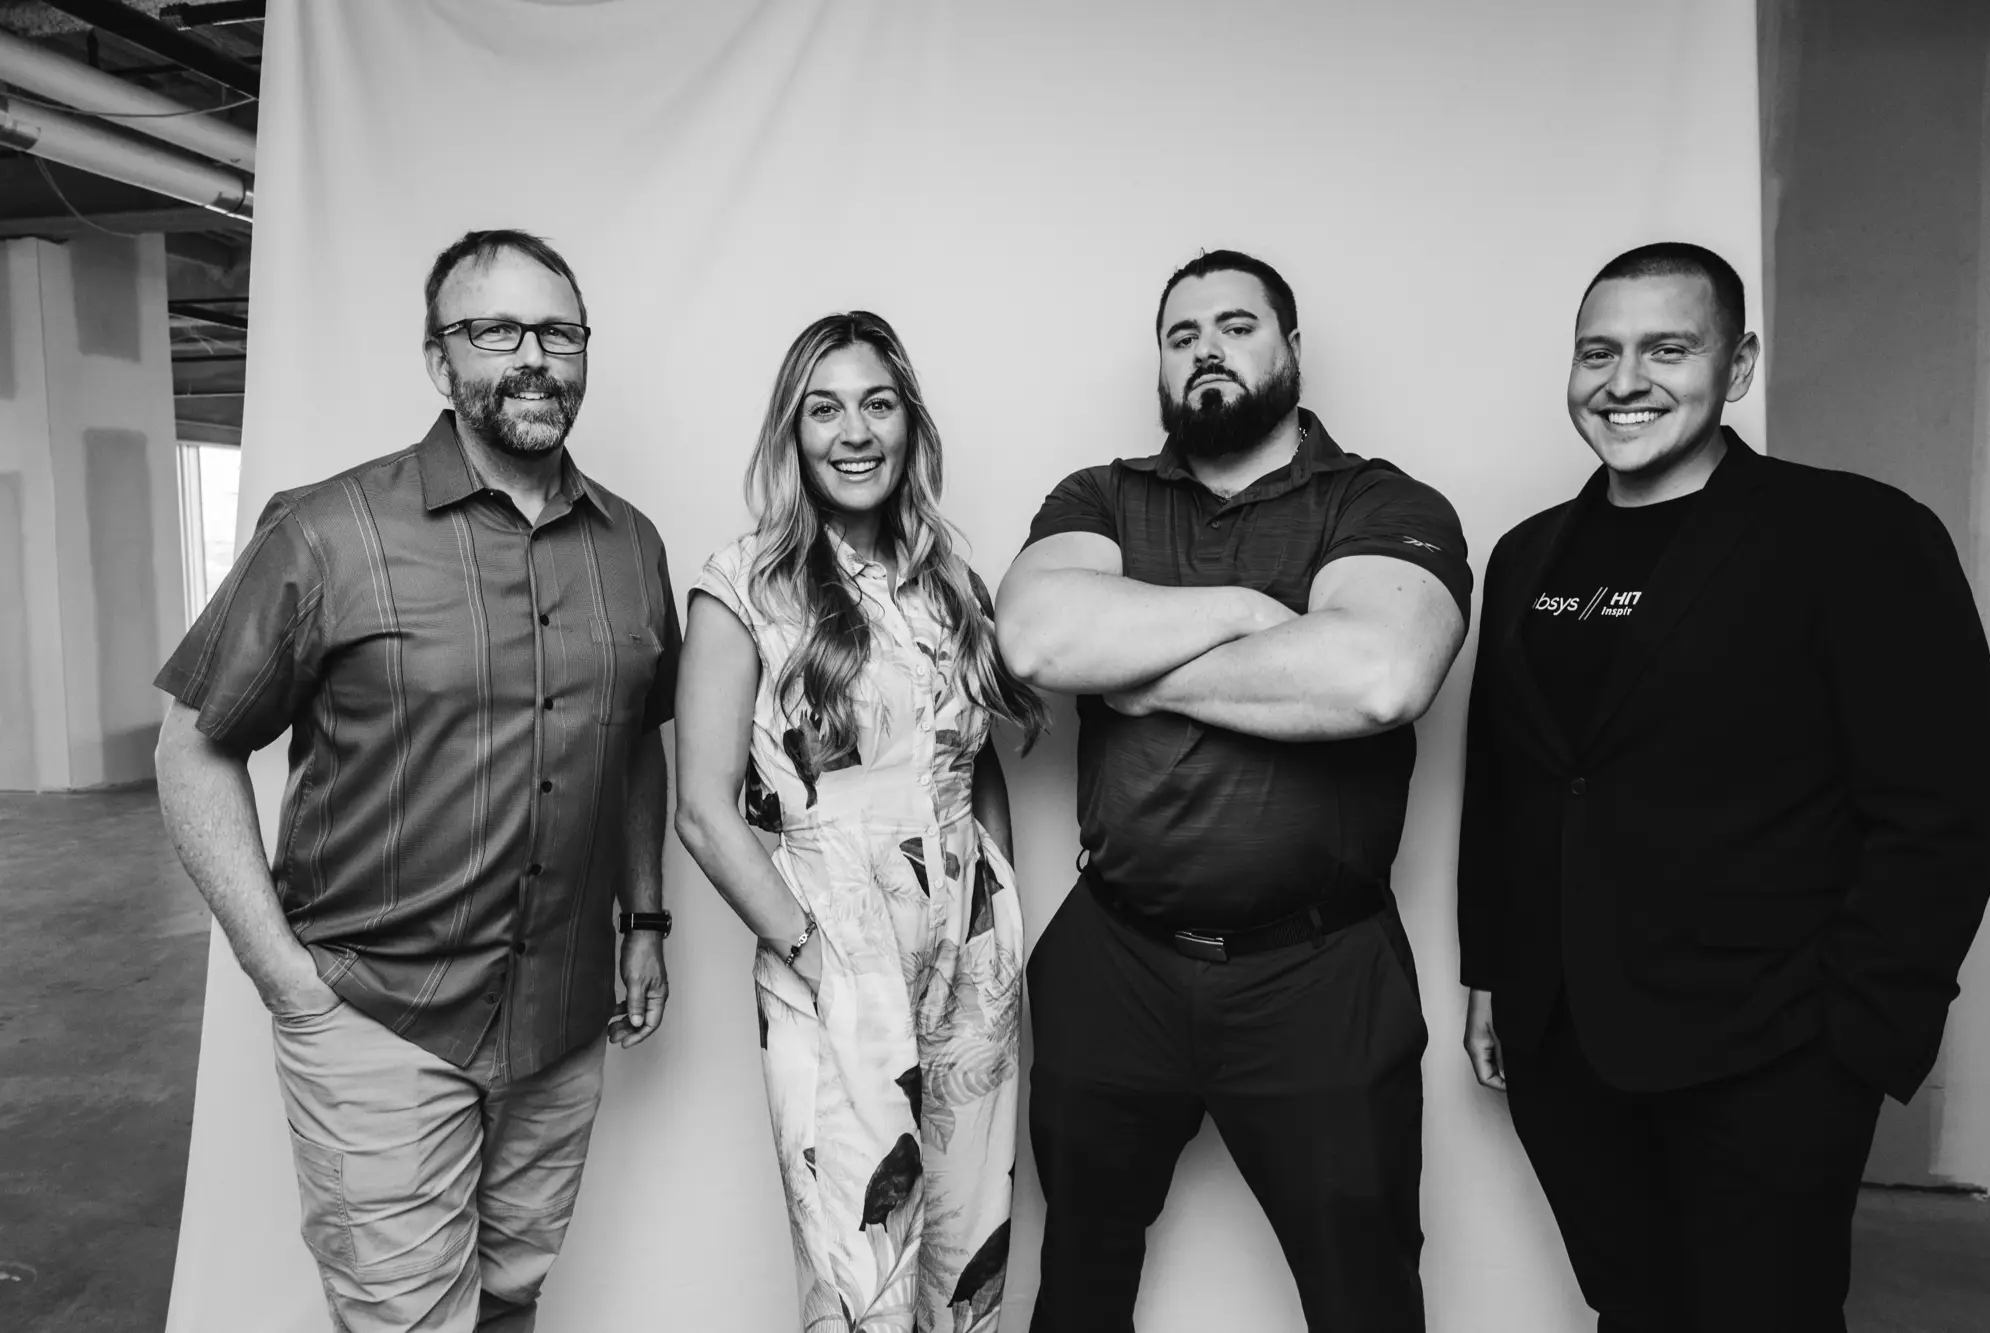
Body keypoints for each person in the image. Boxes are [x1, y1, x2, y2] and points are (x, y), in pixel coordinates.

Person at [1457, 241, 1990, 1331]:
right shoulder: (1527, 554)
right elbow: (1508, 781)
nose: (1623, 381)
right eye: (1595, 352)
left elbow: (1944, 803)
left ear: (1737, 365)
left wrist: (1857, 1030)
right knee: (1633, 1308)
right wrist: (1491, 968)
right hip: (1563, 1035)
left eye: (1666, 348)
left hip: (1769, 1044)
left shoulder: (1853, 535)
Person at [153, 230, 679, 1332]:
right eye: (495, 330)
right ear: (441, 362)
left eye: (559, 331)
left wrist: (645, 921)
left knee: (509, 1299)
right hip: (378, 1017)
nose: (534, 356)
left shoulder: (630, 546)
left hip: (561, 1016)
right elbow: (193, 745)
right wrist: (283, 976)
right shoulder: (328, 530)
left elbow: (633, 741)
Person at [996, 250, 1471, 1332]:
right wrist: (1267, 618)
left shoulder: (1381, 499)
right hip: (1114, 960)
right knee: (1079, 1281)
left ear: (1291, 349)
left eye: (1235, 325)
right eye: (1180, 335)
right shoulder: (1099, 495)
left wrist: (1134, 669)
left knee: (1363, 1295)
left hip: (1317, 975)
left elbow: (1375, 676)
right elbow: (1030, 638)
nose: (1205, 349)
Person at [674, 311, 1044, 1333]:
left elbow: (974, 767)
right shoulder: (740, 583)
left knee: (967, 1254)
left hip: (968, 954)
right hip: (837, 945)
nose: (853, 430)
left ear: (907, 424)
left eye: (876, 404)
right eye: (823, 407)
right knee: (864, 1279)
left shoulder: (948, 582)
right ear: (791, 433)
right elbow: (703, 811)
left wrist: (1000, 922)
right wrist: (811, 950)